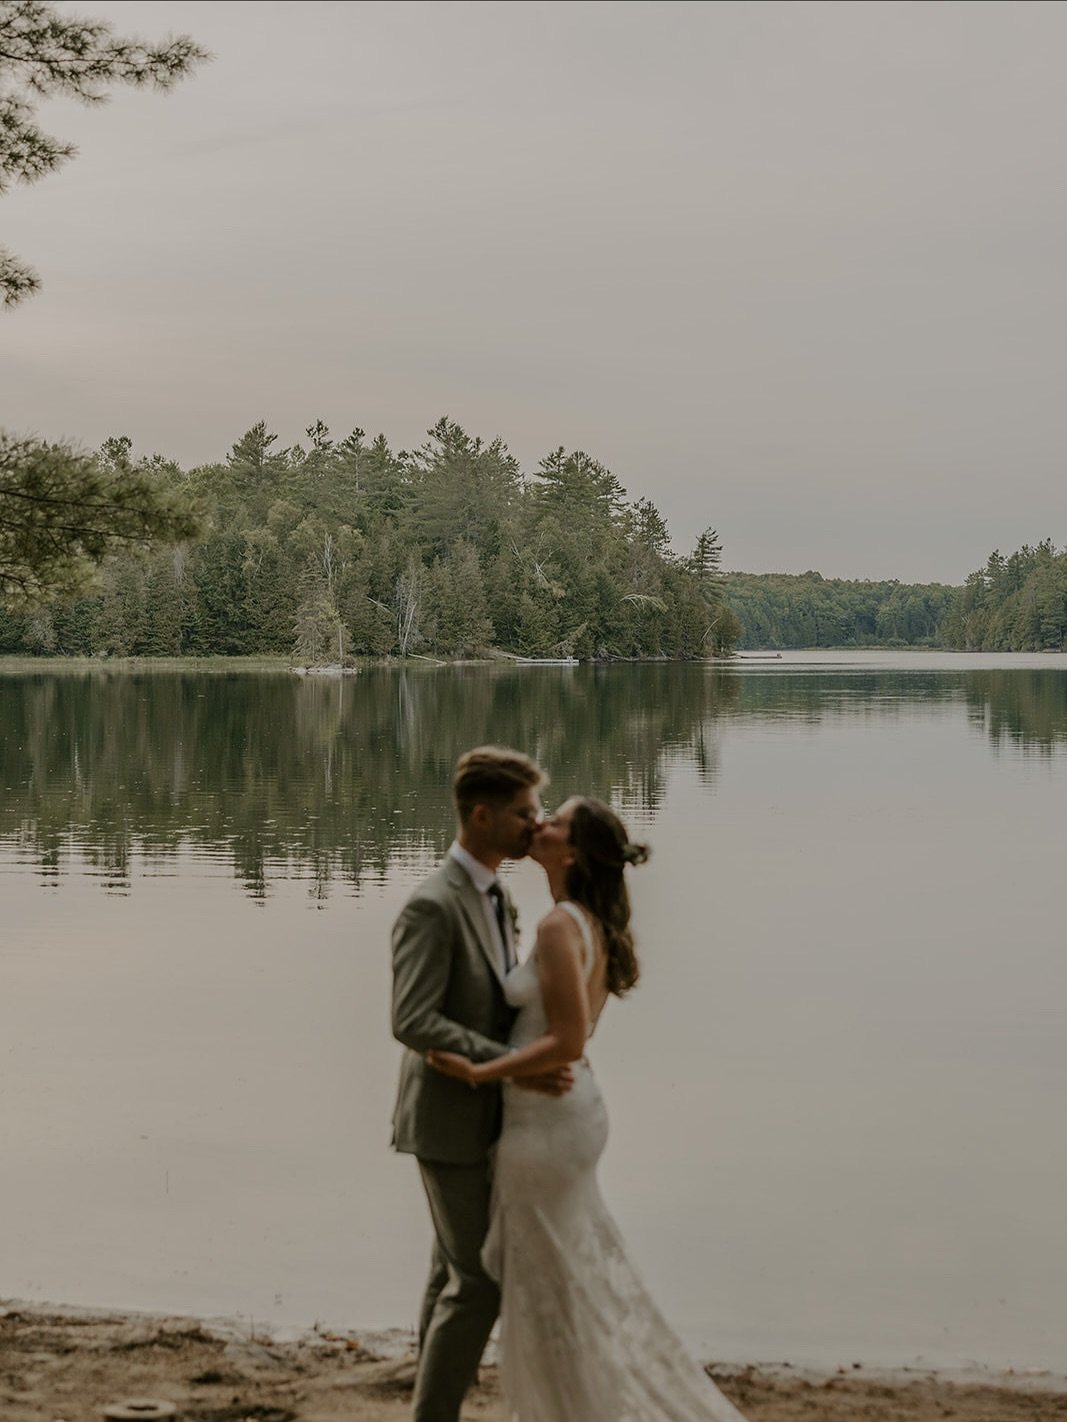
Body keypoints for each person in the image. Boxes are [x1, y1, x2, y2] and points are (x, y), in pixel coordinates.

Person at [427, 796, 747, 1422]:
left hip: (546, 1126)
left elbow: (569, 1041)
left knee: (546, 1291)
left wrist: (479, 1070)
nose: (538, 822)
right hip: (561, 1115)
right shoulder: (578, 921)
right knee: (563, 1283)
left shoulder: (558, 926)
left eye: (555, 821)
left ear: (569, 852)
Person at [390, 746, 572, 1422]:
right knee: (478, 1282)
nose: (535, 823)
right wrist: (503, 1058)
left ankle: (431, 1401)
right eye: (524, 813)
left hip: (487, 1112)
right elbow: (411, 1020)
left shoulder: (495, 894)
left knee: (449, 1273)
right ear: (481, 814)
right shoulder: (432, 906)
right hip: (443, 1117)